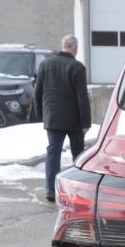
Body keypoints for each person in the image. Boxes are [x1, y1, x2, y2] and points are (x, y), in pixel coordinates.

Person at [34, 35, 91, 202]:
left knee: (53, 153)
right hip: (74, 120)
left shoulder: (45, 64)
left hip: (52, 118)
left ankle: (50, 190)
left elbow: (38, 91)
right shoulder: (77, 67)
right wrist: (85, 122)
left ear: (62, 46)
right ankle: (78, 189)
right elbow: (82, 97)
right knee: (78, 154)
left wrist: (41, 115)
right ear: (75, 48)